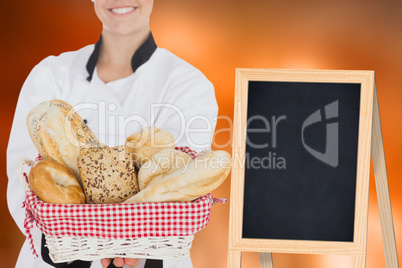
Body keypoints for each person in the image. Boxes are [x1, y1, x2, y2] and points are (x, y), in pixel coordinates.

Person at [6, 0, 218, 267]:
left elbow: (179, 190)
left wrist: (133, 246)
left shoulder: (189, 84)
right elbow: (23, 184)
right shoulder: (48, 75)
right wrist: (75, 249)